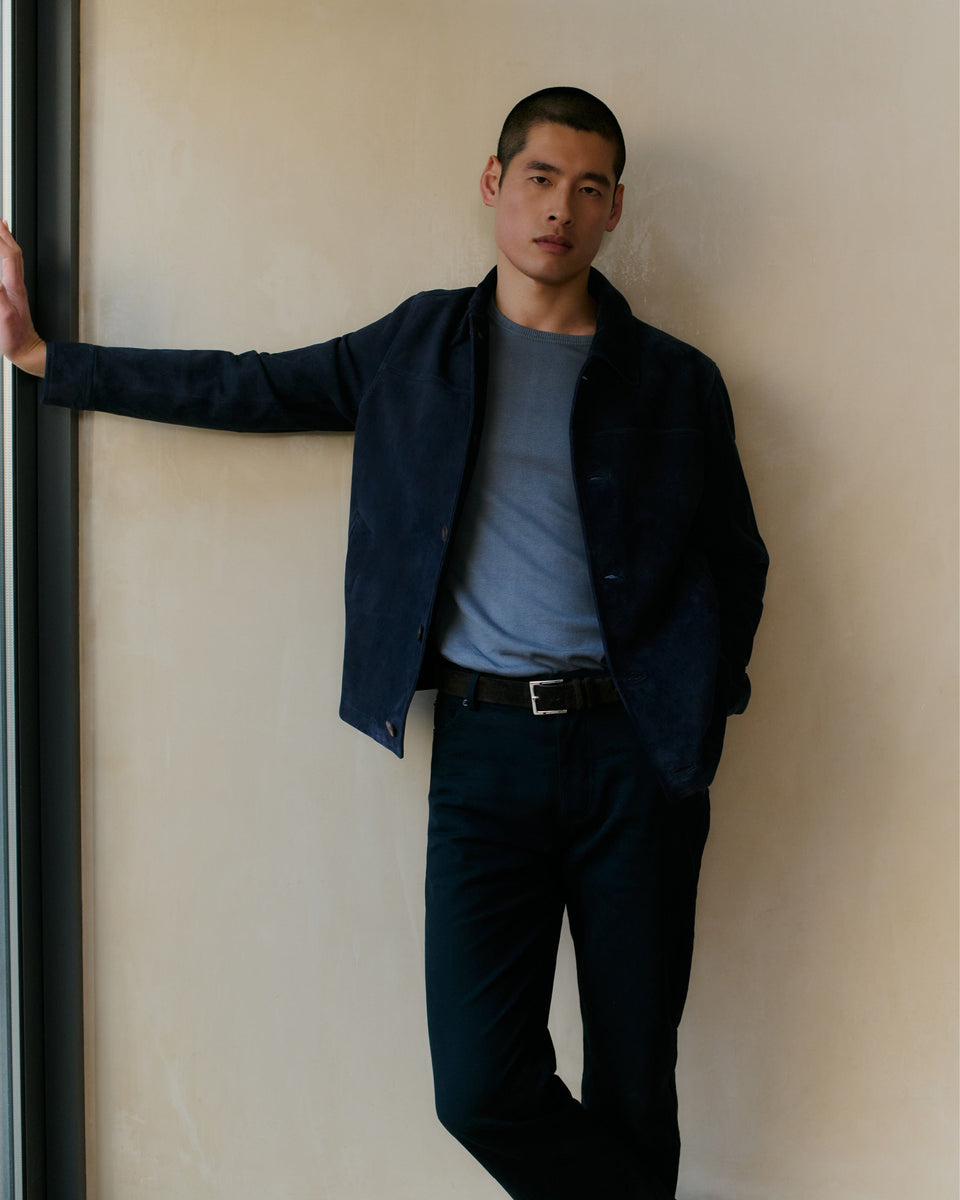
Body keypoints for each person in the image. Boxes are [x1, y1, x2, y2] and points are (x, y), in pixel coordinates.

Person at [0, 87, 768, 1200]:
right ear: (495, 184)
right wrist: (45, 359)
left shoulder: (676, 380)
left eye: (589, 187)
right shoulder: (418, 347)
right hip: (485, 757)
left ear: (614, 211)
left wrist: (697, 707)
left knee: (635, 1077)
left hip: (635, 760)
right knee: (480, 1088)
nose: (560, 207)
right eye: (540, 177)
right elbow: (252, 383)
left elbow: (735, 561)